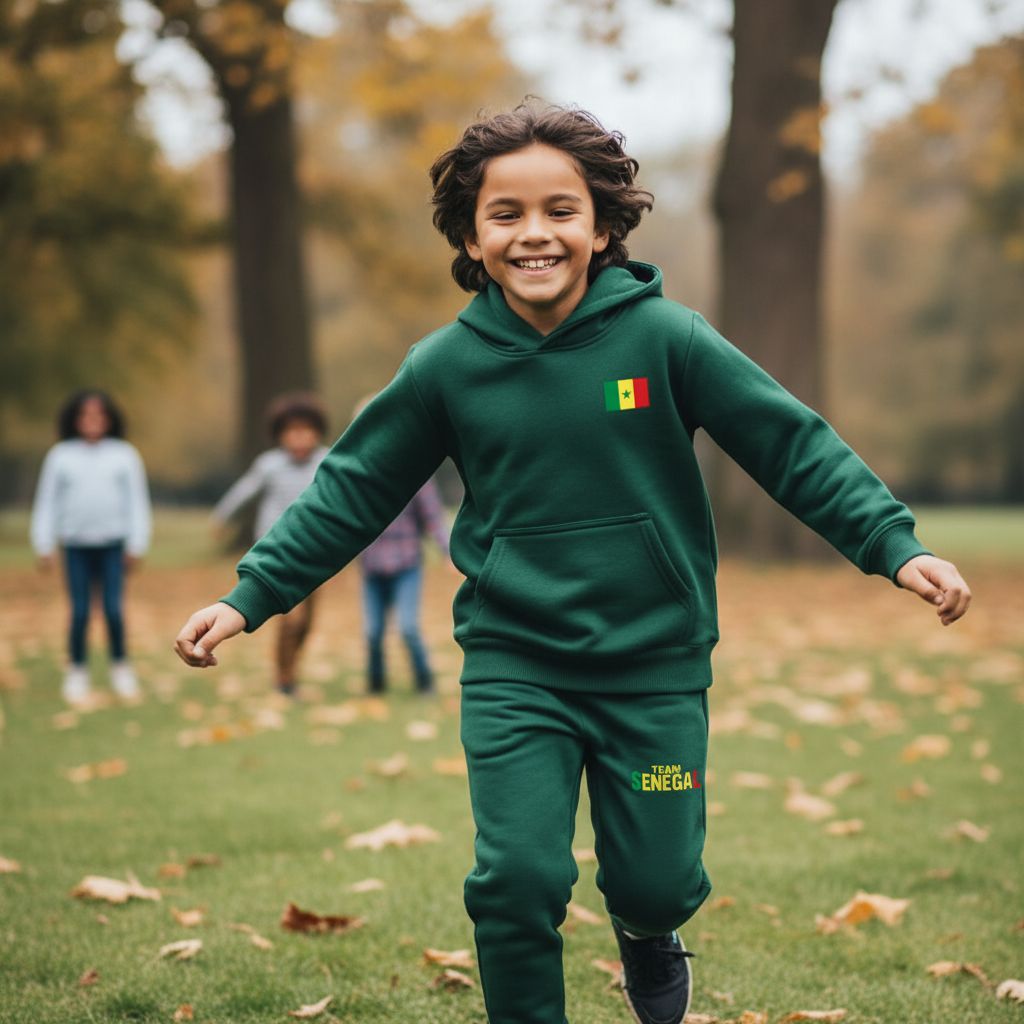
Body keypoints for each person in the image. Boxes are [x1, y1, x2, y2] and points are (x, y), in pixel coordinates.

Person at [174, 102, 971, 1024]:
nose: (534, 233)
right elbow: (350, 489)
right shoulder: (445, 367)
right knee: (514, 876)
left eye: (560, 209)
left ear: (601, 227)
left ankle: (649, 929)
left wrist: (894, 545)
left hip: (655, 674)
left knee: (660, 876)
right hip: (518, 668)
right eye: (505, 214)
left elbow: (791, 445)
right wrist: (248, 598)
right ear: (471, 239)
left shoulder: (667, 339)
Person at [31, 390, 151, 704]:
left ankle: (120, 666)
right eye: (85, 416)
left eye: (98, 416)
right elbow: (47, 502)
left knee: (113, 610)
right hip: (76, 546)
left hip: (113, 545)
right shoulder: (61, 456)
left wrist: (137, 543)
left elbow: (137, 502)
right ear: (75, 420)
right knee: (80, 611)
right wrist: (44, 542)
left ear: (109, 420)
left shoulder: (124, 454)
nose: (92, 422)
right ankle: (77, 670)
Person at [211, 392, 329, 696]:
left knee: (307, 623)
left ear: (317, 431)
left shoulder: (326, 460)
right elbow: (243, 492)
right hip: (280, 551)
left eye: (306, 430)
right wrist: (222, 518)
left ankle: (290, 666)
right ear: (280, 435)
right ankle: (284, 679)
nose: (300, 437)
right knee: (292, 619)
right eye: (292, 430)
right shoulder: (270, 465)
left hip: (316, 552)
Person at [352, 393, 452, 695]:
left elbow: (434, 517)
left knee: (408, 628)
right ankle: (375, 685)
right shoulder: (357, 477)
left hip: (406, 564)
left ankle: (425, 682)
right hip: (371, 568)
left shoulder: (415, 472)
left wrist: (448, 553)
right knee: (372, 632)